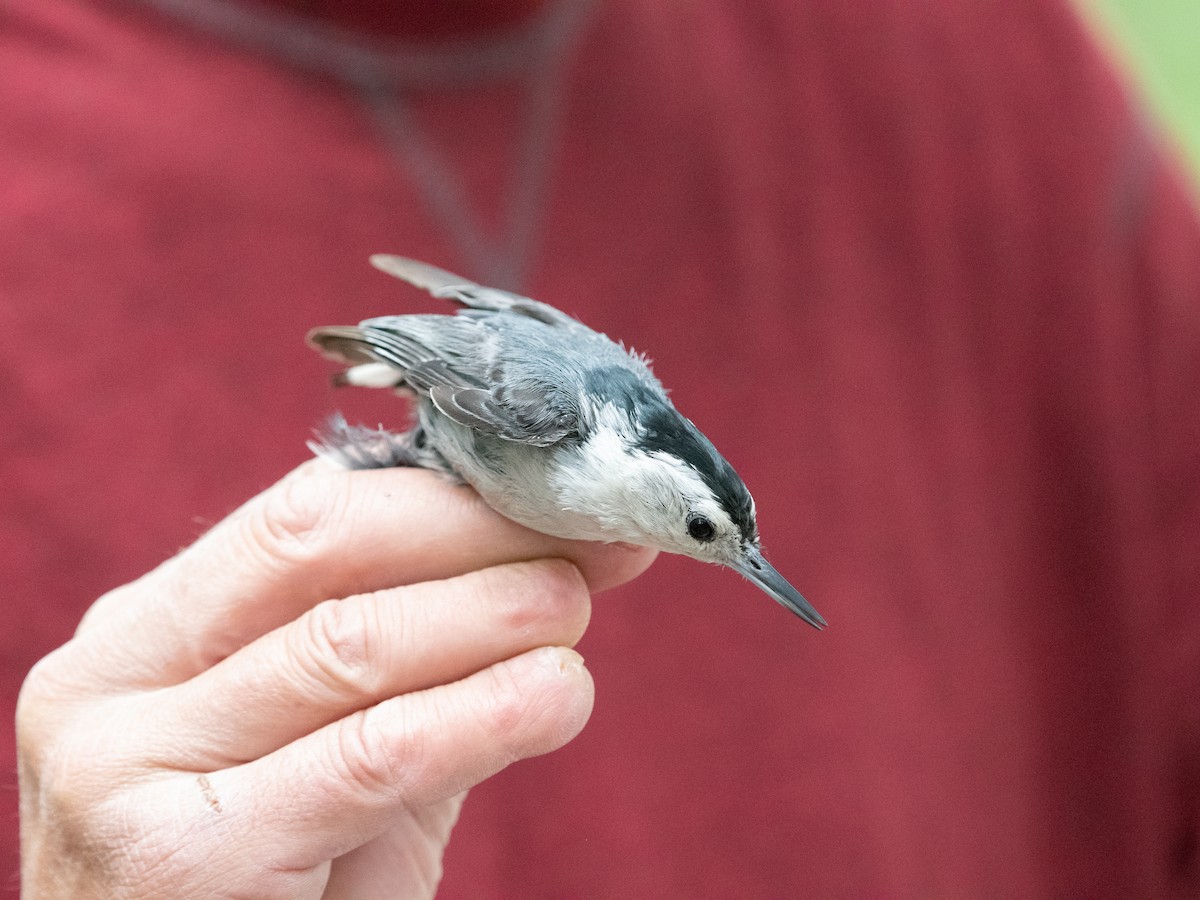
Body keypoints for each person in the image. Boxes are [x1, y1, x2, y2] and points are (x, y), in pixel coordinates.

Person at [5, 0, 1199, 896]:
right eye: (700, 532)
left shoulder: (1003, 82)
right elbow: (460, 341)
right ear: (636, 475)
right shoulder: (558, 425)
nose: (715, 557)